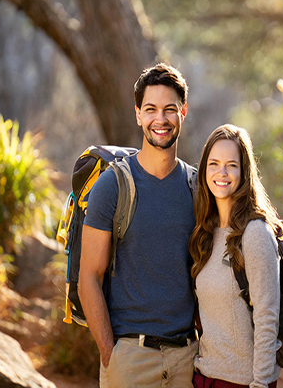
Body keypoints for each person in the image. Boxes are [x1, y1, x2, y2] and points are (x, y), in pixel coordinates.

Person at [79, 64, 198, 388]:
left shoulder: (196, 187)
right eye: (151, 109)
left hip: (186, 360)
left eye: (170, 109)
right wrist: (109, 354)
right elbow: (88, 275)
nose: (161, 119)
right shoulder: (112, 185)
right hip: (130, 359)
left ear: (183, 112)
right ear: (138, 115)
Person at [189, 124, 282, 388]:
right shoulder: (205, 232)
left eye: (231, 165)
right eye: (214, 163)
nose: (222, 172)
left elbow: (267, 317)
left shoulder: (255, 233)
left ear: (244, 172)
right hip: (204, 377)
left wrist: (261, 383)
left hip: (243, 382)